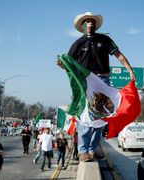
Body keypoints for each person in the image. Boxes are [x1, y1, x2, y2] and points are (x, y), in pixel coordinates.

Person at [57, 12, 135, 162]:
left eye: (92, 21)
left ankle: (93, 148)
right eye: (87, 21)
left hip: (104, 80)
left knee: (102, 115)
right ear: (83, 26)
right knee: (86, 115)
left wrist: (129, 69)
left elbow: (118, 55)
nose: (90, 24)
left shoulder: (105, 40)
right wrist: (61, 64)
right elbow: (68, 65)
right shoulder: (78, 43)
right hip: (87, 83)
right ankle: (83, 151)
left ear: (95, 25)